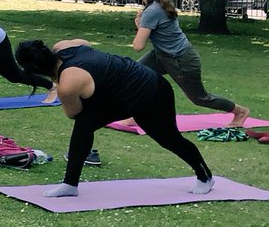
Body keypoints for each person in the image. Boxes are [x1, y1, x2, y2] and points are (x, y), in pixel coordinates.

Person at [16, 39, 216, 198]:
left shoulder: (67, 84)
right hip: (122, 94)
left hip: (151, 91)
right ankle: (70, 184)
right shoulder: (65, 46)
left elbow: (72, 112)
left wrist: (72, 88)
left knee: (168, 139)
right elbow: (86, 44)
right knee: (85, 124)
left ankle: (205, 176)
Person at [119, 0, 250, 128]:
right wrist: (141, 25)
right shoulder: (156, 6)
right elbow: (159, 32)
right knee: (136, 76)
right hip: (162, 55)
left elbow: (138, 46)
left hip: (181, 60)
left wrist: (140, 26)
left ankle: (240, 111)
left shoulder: (152, 11)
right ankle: (138, 115)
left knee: (199, 98)